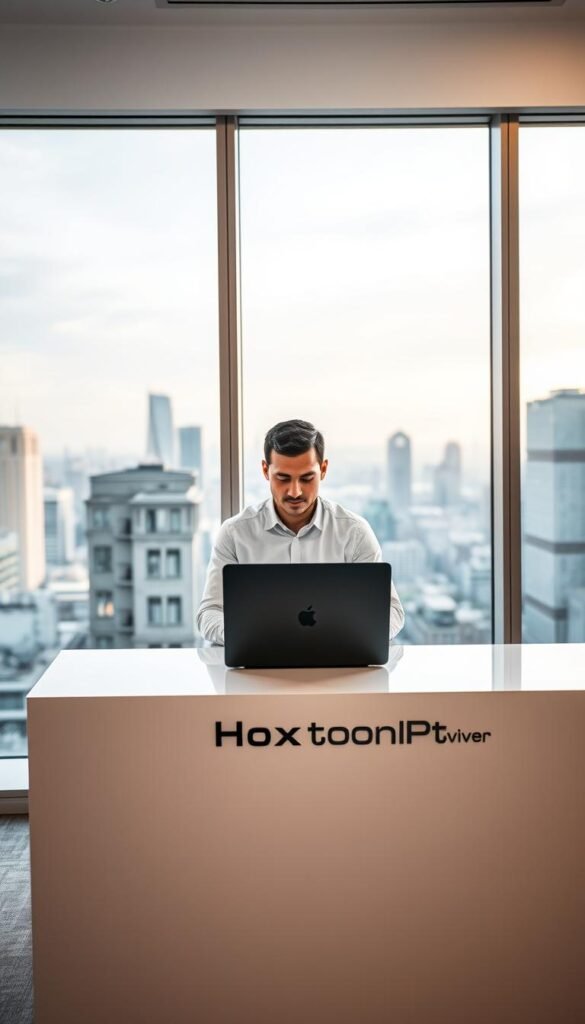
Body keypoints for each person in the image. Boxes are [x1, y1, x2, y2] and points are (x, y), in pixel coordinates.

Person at [196, 419, 405, 645]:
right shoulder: (235, 534)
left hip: (337, 667)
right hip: (258, 668)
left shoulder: (354, 533)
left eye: (306, 478)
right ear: (266, 471)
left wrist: (342, 637)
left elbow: (392, 612)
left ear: (323, 470)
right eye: (283, 478)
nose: (295, 491)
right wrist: (250, 638)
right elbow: (209, 612)